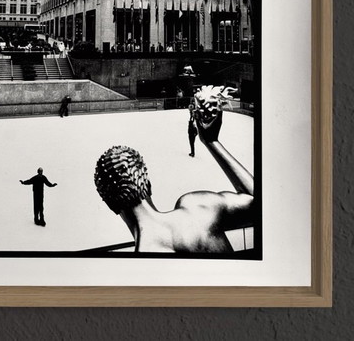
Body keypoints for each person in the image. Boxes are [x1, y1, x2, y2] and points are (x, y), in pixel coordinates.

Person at [94, 85, 253, 253]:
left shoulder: (145, 258)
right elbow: (255, 200)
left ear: (111, 205)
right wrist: (211, 141)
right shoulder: (199, 207)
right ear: (148, 185)